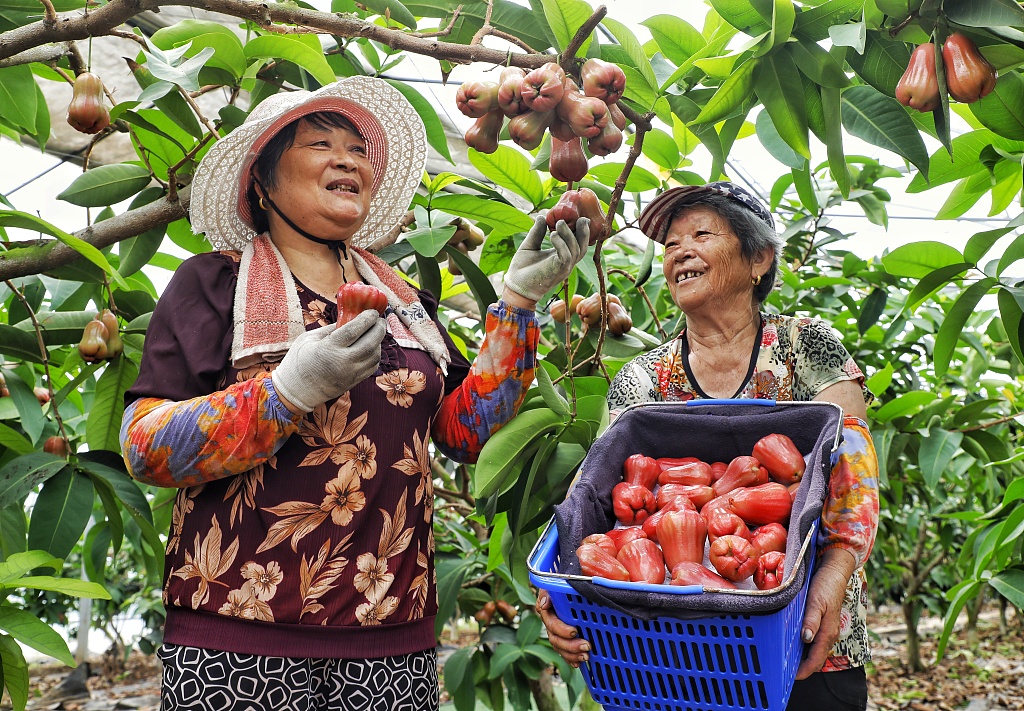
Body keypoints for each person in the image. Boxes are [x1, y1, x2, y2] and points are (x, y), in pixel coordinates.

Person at [119, 76, 591, 710]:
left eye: (359, 150)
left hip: (393, 639)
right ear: (262, 181)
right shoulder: (212, 285)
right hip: (242, 639)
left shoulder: (405, 304)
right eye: (320, 143)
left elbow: (464, 433)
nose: (348, 158)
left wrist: (518, 303)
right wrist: (285, 391)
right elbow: (145, 446)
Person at [535, 182, 880, 711]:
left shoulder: (808, 347)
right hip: (669, 655)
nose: (679, 252)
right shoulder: (641, 379)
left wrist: (833, 577)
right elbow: (599, 498)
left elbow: (853, 481)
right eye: (671, 244)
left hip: (806, 640)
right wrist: (560, 593)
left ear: (758, 259)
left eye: (701, 234)